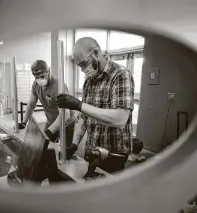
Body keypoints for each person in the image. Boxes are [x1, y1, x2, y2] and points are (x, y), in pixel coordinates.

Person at [56, 37, 144, 170]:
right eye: (79, 65)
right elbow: (84, 118)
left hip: (113, 153)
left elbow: (120, 119)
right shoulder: (88, 81)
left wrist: (79, 105)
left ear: (96, 53)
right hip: (92, 149)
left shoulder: (120, 75)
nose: (82, 70)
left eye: (84, 64)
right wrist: (73, 145)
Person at [18, 60, 76, 146]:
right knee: (45, 146)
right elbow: (31, 103)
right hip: (51, 120)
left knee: (65, 152)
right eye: (36, 77)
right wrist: (24, 122)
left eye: (42, 76)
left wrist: (50, 130)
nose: (39, 80)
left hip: (66, 122)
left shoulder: (58, 86)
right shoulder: (36, 84)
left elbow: (65, 114)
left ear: (48, 71)